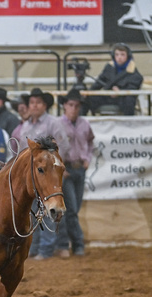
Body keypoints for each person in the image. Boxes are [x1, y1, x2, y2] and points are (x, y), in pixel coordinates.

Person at [10, 88, 70, 260]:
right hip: (31, 177)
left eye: (38, 103)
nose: (34, 106)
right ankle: (33, 247)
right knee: (32, 212)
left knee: (50, 209)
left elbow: (63, 146)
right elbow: (20, 151)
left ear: (45, 105)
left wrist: (55, 168)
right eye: (32, 103)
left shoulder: (53, 123)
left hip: (48, 175)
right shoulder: (25, 126)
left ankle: (46, 249)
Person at [54, 89, 94, 258]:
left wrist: (87, 159)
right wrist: (60, 167)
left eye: (77, 106)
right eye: (71, 105)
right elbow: (53, 148)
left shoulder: (85, 124)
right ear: (64, 106)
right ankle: (76, 244)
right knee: (70, 209)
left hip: (79, 168)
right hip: (67, 169)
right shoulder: (58, 125)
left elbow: (91, 142)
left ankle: (66, 244)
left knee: (73, 208)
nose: (74, 108)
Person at [88, 43, 143, 116]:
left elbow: (132, 90)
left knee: (129, 100)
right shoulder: (109, 68)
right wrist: (88, 93)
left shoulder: (134, 74)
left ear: (128, 56)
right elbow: (98, 83)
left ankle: (128, 124)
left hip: (122, 99)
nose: (119, 57)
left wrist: (120, 92)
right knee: (86, 99)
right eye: (117, 55)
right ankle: (79, 125)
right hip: (107, 96)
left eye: (122, 54)